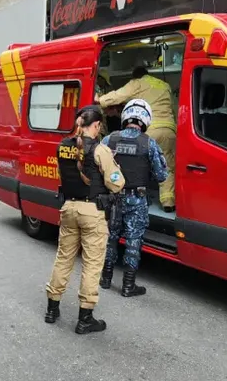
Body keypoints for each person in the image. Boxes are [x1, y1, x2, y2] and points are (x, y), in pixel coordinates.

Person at [44, 105, 125, 334]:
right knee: (91, 264)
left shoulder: (62, 147)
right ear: (97, 125)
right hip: (92, 212)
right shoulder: (100, 150)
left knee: (63, 259)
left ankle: (52, 308)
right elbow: (116, 183)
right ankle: (85, 318)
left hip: (68, 208)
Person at [100, 99, 168, 296]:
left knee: (111, 237)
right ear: (145, 119)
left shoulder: (109, 140)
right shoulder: (149, 143)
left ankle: (105, 278)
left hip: (113, 198)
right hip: (136, 200)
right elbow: (162, 175)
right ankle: (128, 286)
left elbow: (99, 167)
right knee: (133, 240)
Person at [96, 66, 177, 213]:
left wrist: (100, 100)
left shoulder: (138, 83)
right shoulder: (165, 86)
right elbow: (174, 108)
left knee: (139, 163)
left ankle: (138, 198)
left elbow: (118, 95)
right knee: (168, 165)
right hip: (169, 129)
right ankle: (168, 202)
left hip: (150, 129)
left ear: (135, 77)